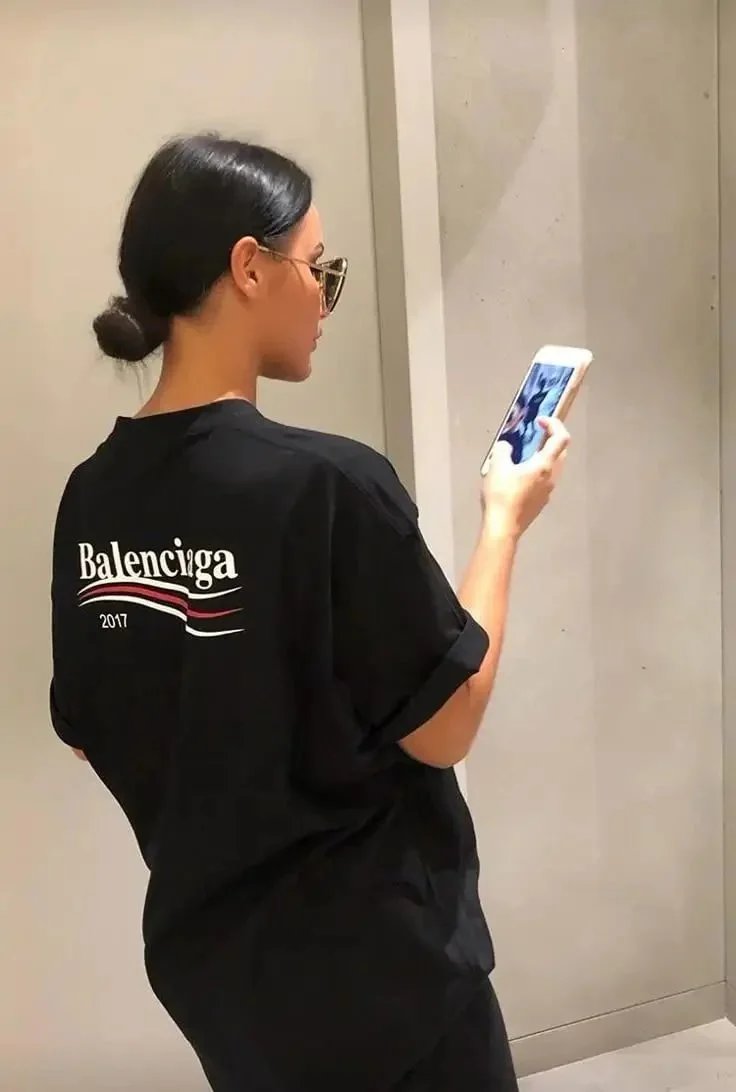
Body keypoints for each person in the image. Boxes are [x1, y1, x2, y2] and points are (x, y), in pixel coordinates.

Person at [49, 134, 570, 1092]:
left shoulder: (93, 497)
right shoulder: (327, 485)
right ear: (249, 267)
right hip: (386, 982)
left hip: (220, 980)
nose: (325, 299)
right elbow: (447, 725)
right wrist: (503, 522)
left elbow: (90, 729)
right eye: (317, 267)